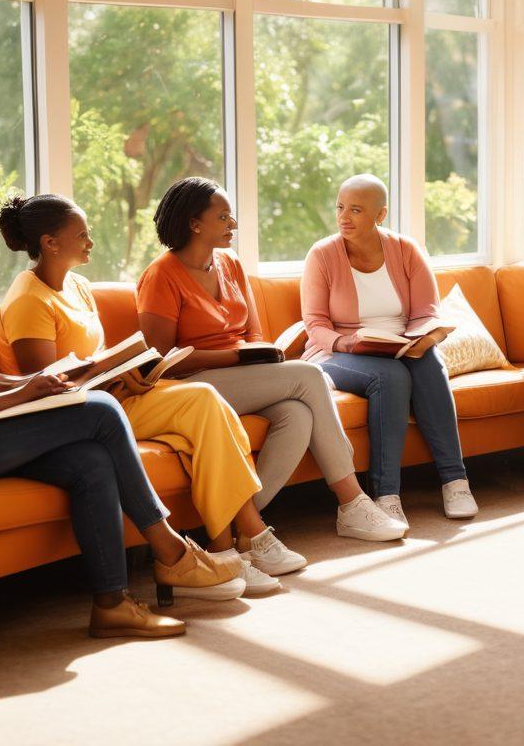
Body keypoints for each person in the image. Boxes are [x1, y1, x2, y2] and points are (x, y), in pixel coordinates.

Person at [0, 180, 245, 640]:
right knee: (101, 411)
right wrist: (22, 396)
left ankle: (112, 605)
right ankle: (172, 551)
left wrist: (29, 384)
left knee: (90, 461)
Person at [0, 194, 299, 592]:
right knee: (202, 404)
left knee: (205, 403)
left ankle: (227, 550)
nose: (90, 241)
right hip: (76, 414)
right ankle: (240, 545)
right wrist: (109, 376)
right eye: (81, 235)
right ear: (50, 243)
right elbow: (46, 386)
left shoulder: (77, 286)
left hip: (111, 396)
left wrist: (130, 373)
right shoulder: (28, 300)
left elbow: (92, 358)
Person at [136, 177, 406, 546]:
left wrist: (260, 354)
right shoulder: (161, 275)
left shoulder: (229, 263)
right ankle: (351, 501)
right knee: (310, 376)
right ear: (194, 224)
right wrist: (236, 357)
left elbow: (253, 333)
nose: (233, 224)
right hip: (192, 385)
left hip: (242, 376)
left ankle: (245, 528)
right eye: (223, 217)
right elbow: (161, 362)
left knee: (297, 414)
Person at [299, 174, 478, 529]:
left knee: (429, 363)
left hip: (400, 346)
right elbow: (315, 323)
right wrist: (346, 342)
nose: (343, 217)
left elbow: (427, 312)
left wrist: (418, 340)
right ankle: (386, 496)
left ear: (380, 215)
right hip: (337, 353)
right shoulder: (322, 254)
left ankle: (455, 481)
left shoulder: (406, 250)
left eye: (355, 210)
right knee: (391, 376)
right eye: (340, 207)